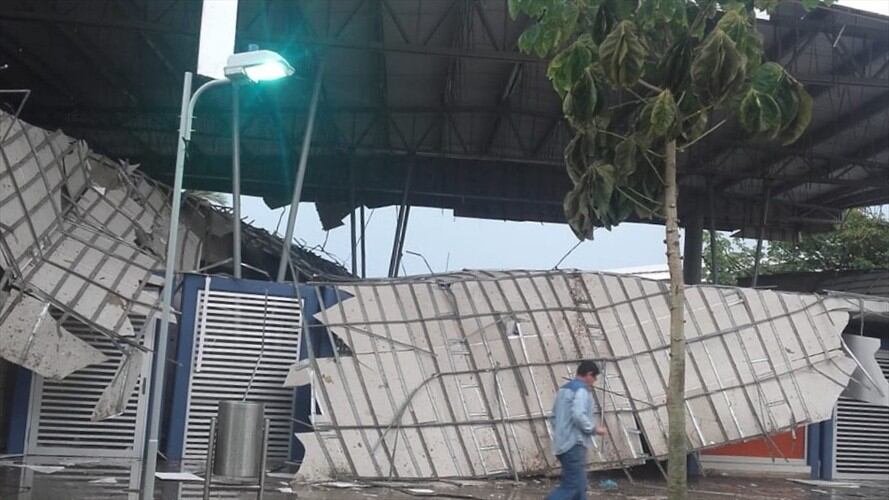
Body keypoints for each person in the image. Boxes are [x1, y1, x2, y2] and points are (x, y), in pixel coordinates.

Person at [546, 360, 606, 500]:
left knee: (579, 488)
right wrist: (593, 429)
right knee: (573, 487)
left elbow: (553, 418)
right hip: (574, 444)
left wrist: (561, 432)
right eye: (594, 377)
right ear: (589, 374)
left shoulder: (563, 390)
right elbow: (579, 415)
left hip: (561, 443)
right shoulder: (581, 390)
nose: (594, 381)